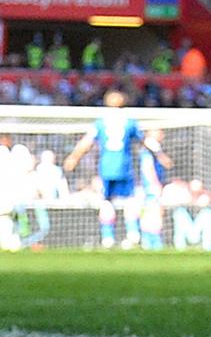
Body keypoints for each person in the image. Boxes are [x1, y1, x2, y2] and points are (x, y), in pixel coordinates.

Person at [64, 89, 158, 248]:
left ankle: (108, 237)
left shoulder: (101, 122)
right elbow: (145, 141)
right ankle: (132, 234)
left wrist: (74, 157)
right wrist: (160, 154)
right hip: (124, 166)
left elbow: (86, 142)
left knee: (107, 201)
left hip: (106, 167)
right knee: (129, 200)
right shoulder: (129, 122)